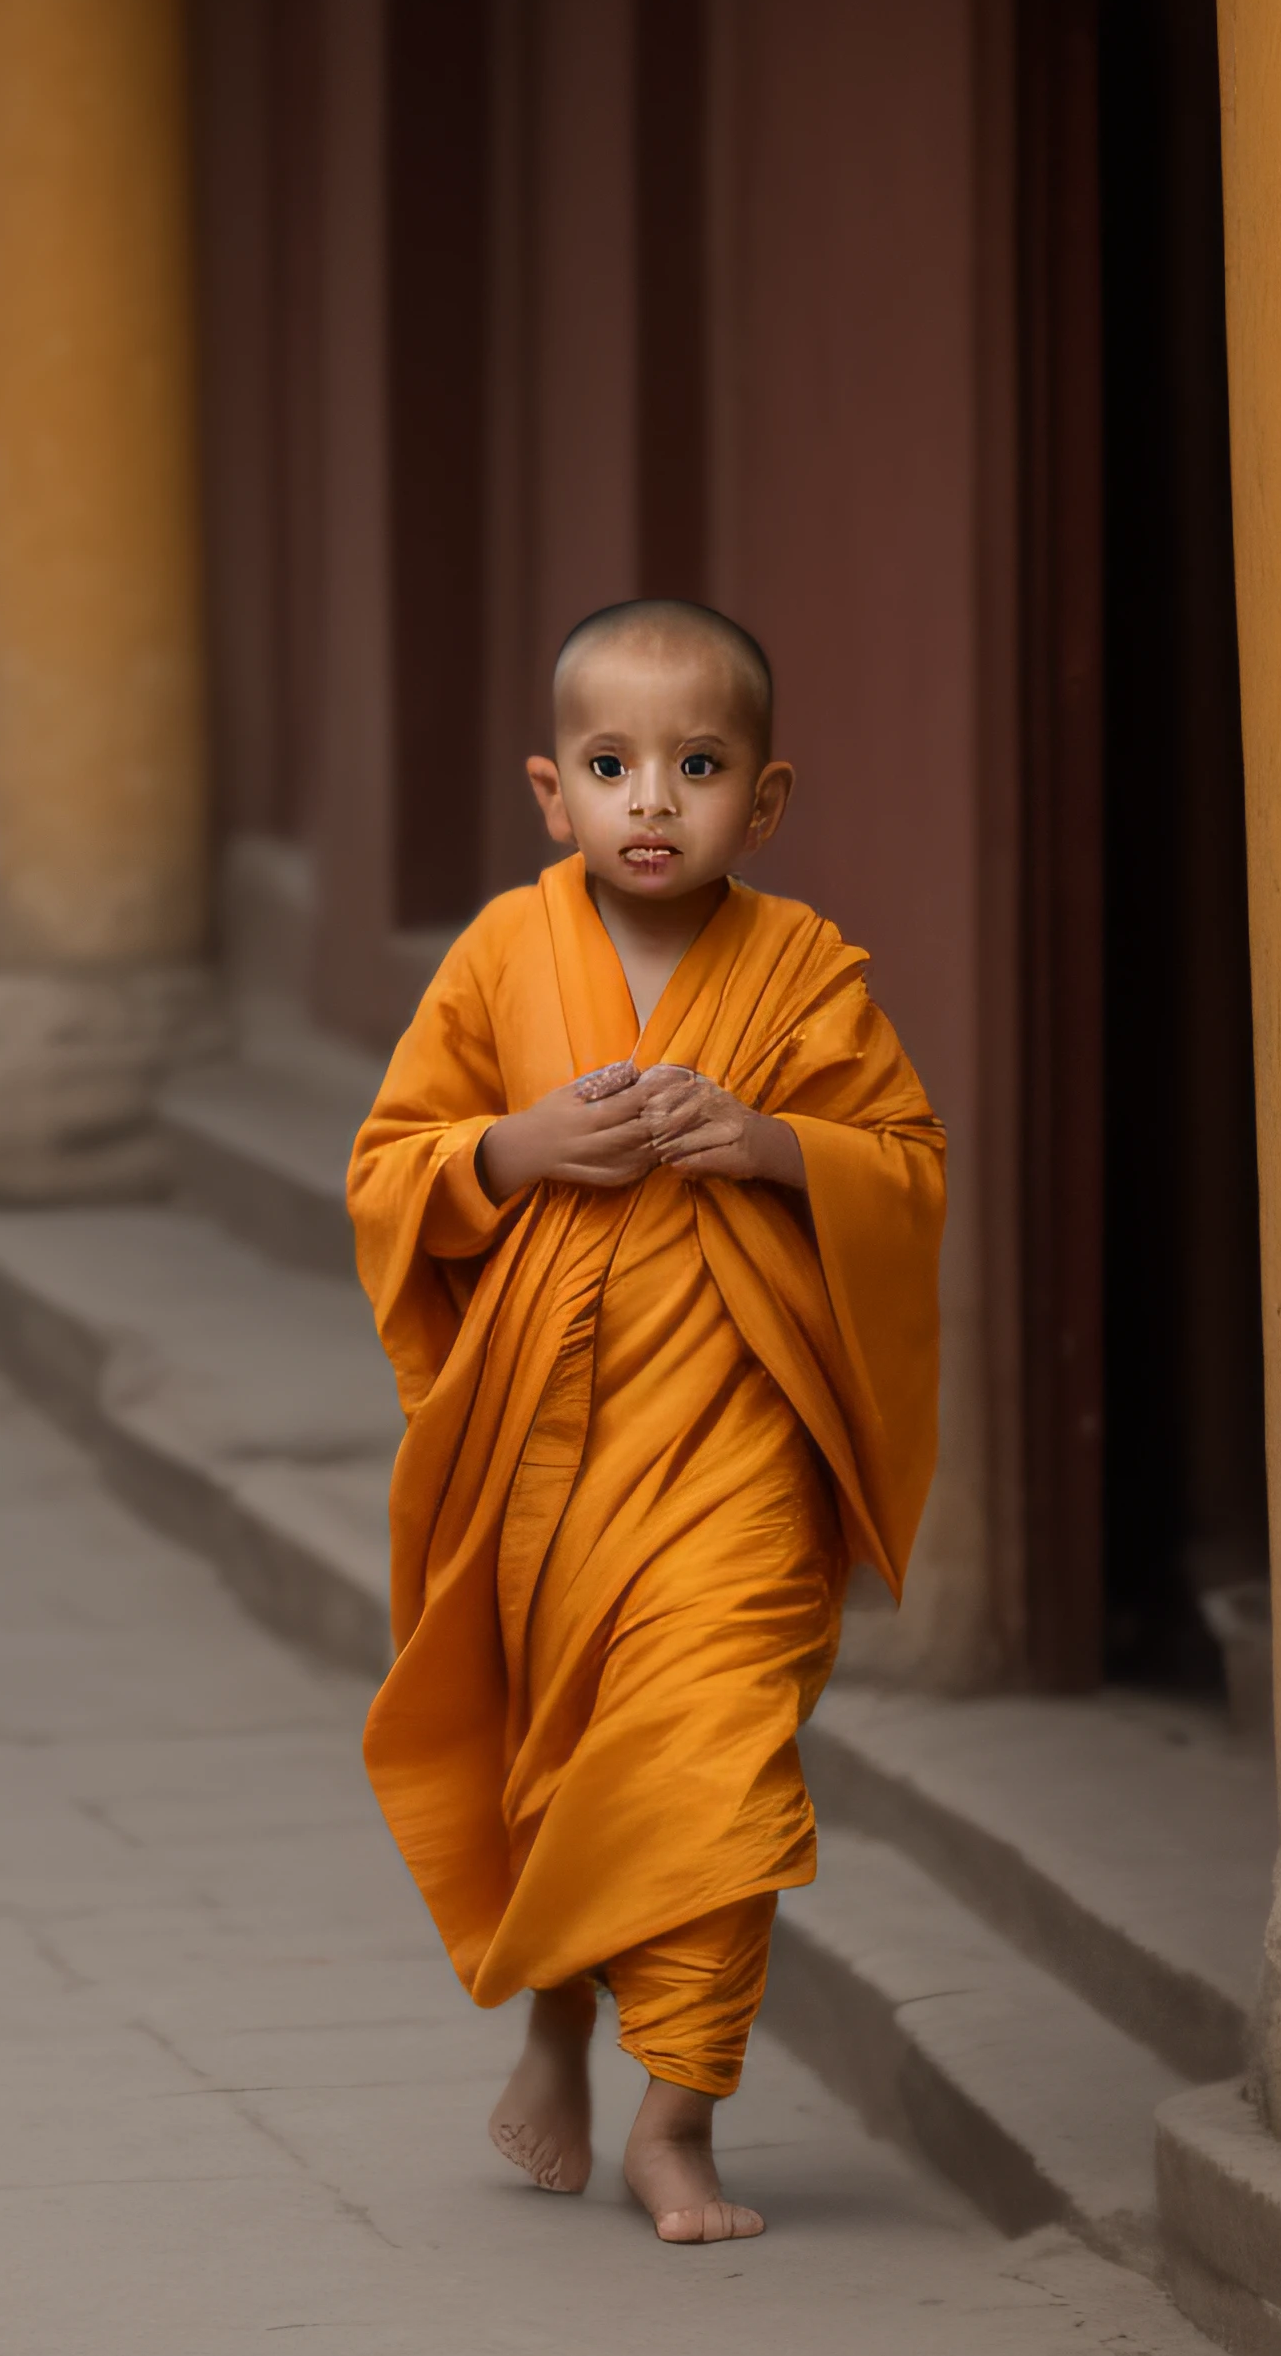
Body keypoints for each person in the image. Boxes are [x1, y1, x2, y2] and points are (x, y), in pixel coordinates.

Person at [347, 602, 941, 2243]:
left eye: (699, 766)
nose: (654, 801)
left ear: (768, 797)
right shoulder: (498, 959)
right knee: (576, 1769)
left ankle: (680, 2114)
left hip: (739, 1449)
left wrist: (763, 1142)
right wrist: (520, 1150)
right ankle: (556, 2033)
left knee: (722, 1759)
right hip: (555, 1455)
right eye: (613, 767)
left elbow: (906, 1167)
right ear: (554, 793)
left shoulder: (806, 974)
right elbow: (392, 1168)